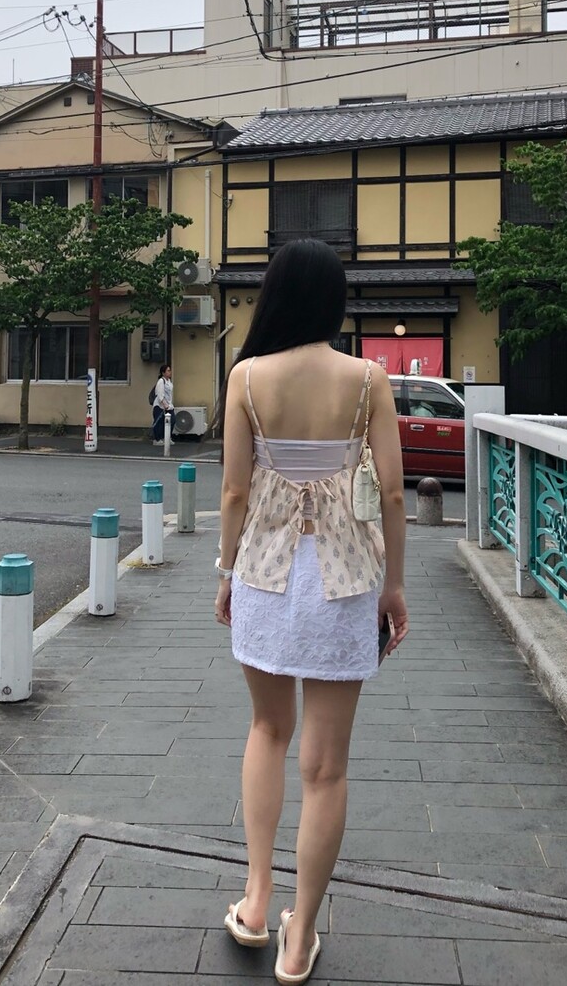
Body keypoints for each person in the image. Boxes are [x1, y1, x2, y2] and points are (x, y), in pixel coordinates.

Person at [214, 238, 408, 985]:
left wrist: (226, 572)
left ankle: (257, 902)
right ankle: (299, 942)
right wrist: (394, 587)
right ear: (333, 302)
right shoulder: (368, 379)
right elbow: (393, 493)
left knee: (267, 729)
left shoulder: (246, 377)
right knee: (326, 768)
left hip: (264, 576)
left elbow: (234, 491)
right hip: (344, 582)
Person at [151, 363, 173, 445]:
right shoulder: (161, 381)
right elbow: (160, 395)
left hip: (168, 405)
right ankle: (157, 439)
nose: (170, 372)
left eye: (170, 370)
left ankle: (166, 437)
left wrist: (169, 405)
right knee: (159, 422)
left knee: (172, 420)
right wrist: (165, 404)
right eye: (168, 370)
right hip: (159, 406)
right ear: (163, 373)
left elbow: (169, 395)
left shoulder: (169, 382)